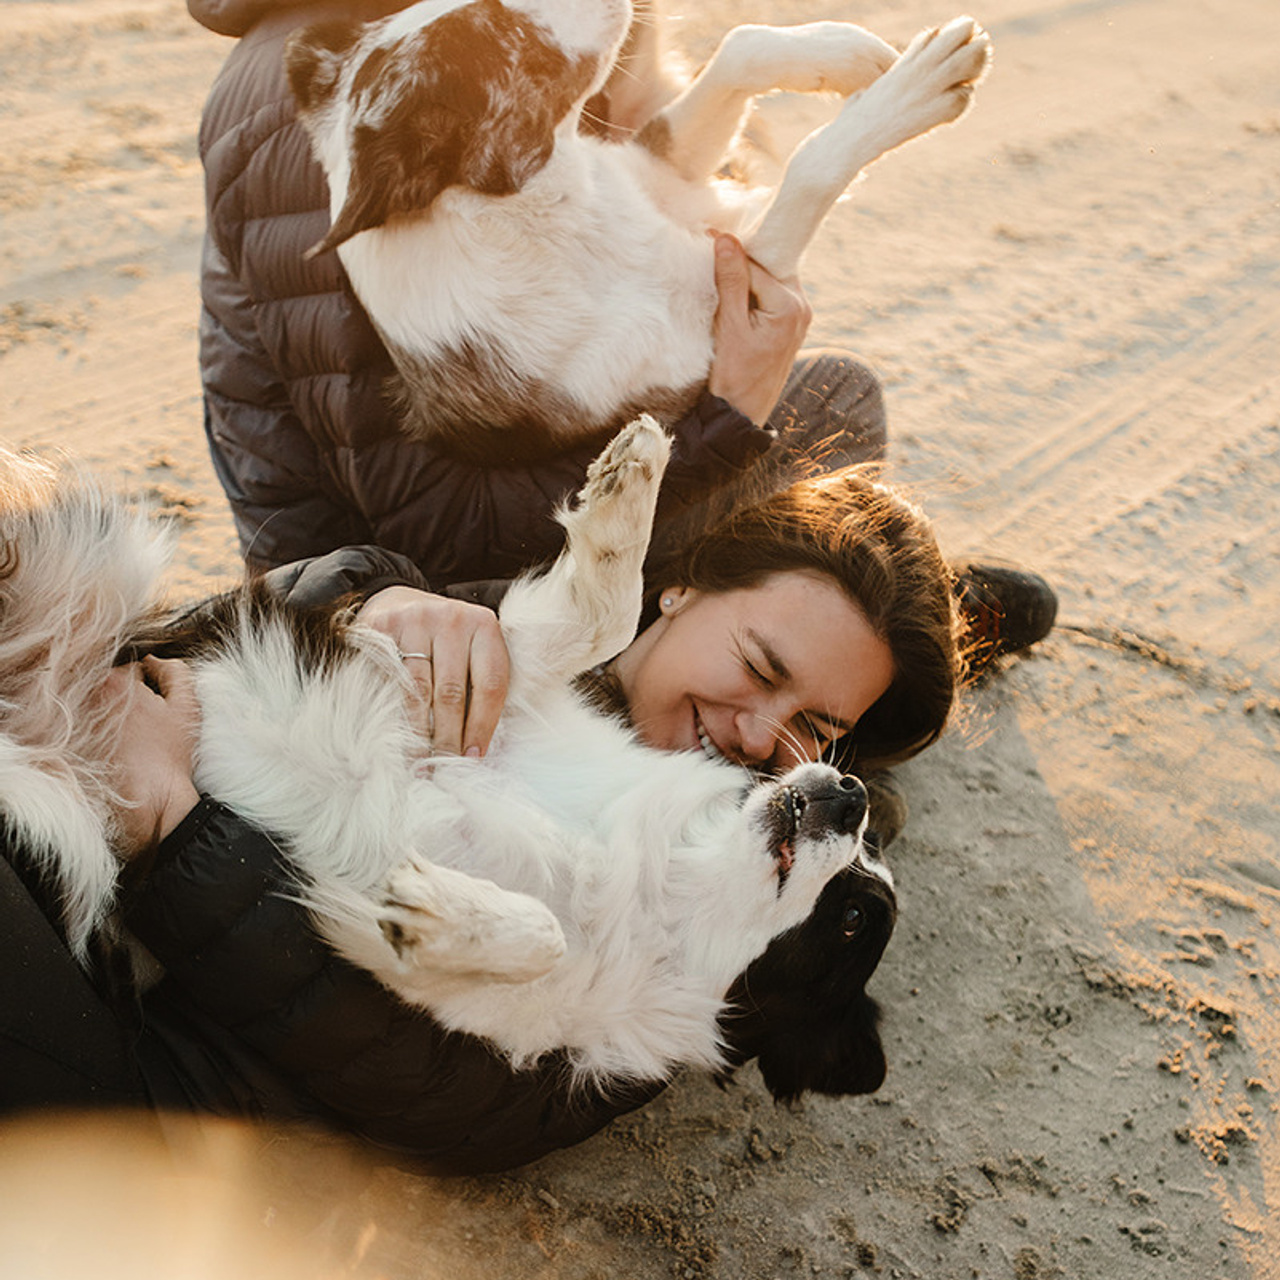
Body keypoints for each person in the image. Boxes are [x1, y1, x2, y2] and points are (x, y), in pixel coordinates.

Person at [2, 463, 976, 1171]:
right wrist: (366, 595)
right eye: (760, 669)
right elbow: (168, 652)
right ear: (677, 587)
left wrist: (178, 827)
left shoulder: (697, 936)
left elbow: (456, 1101)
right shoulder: (482, 612)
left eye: (816, 727)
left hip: (103, 1033)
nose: (760, 731)